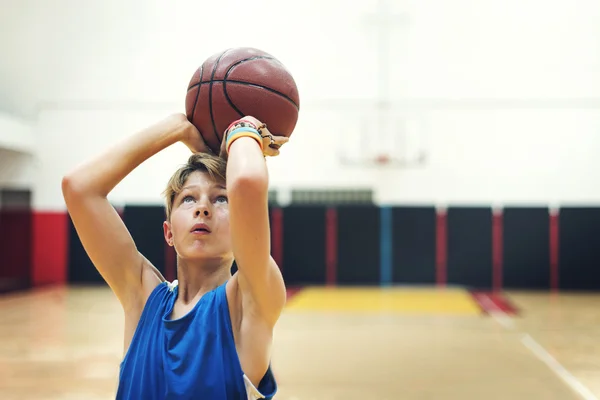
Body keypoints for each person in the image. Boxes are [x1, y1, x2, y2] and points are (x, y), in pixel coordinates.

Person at [61, 113, 289, 399]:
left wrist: (243, 128)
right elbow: (79, 187)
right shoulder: (144, 300)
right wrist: (179, 127)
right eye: (189, 198)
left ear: (240, 228)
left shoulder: (249, 300)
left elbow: (246, 182)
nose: (202, 208)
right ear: (168, 233)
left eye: (220, 199)